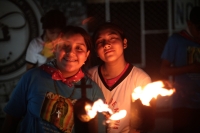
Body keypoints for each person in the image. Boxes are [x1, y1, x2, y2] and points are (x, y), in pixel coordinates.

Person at [1, 26, 106, 133]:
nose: (70, 52)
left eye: (79, 48)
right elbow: (11, 120)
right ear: (55, 49)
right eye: (65, 45)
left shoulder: (93, 91)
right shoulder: (32, 77)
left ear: (86, 55)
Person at [89, 22, 155, 133]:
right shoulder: (89, 77)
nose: (107, 44)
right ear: (96, 51)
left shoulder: (140, 80)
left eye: (113, 38)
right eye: (100, 41)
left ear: (124, 43)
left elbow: (142, 126)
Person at [160, 6, 200, 133]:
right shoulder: (176, 40)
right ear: (189, 24)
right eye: (199, 29)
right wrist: (191, 68)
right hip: (183, 103)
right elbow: (164, 70)